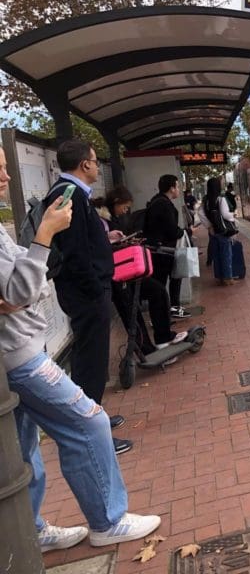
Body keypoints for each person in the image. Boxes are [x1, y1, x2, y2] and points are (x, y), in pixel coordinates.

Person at [0, 145, 161, 552]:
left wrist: (23, 284)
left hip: (18, 347)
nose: (6, 178)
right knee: (90, 421)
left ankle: (30, 529)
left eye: (6, 168)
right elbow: (20, 287)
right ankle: (107, 520)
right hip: (19, 352)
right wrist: (44, 237)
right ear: (87, 163)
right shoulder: (64, 199)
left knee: (21, 446)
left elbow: (20, 285)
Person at [46, 139, 132, 455]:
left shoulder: (73, 195)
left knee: (93, 362)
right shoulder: (67, 196)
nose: (97, 167)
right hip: (87, 295)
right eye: (95, 161)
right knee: (90, 366)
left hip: (86, 293)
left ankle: (95, 420)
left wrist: (105, 237)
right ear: (84, 164)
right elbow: (75, 254)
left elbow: (81, 241)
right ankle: (93, 438)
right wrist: (97, 290)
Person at [95, 187, 187, 352]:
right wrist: (116, 242)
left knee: (158, 292)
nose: (126, 211)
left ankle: (163, 337)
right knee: (131, 311)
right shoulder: (100, 219)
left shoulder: (111, 218)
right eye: (124, 207)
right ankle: (146, 349)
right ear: (116, 202)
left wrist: (124, 242)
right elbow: (97, 246)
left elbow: (106, 241)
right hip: (116, 274)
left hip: (126, 269)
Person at [143, 174, 191, 319]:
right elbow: (171, 231)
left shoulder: (157, 201)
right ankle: (162, 316)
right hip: (162, 252)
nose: (179, 189)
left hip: (159, 251)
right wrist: (185, 231)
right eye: (178, 186)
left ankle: (163, 314)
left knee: (165, 283)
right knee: (166, 283)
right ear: (172, 188)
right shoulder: (163, 204)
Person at [199, 178, 236, 286]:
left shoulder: (205, 199)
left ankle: (219, 277)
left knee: (217, 255)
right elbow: (225, 214)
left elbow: (200, 213)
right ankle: (228, 278)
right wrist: (233, 215)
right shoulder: (220, 199)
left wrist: (209, 226)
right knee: (226, 255)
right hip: (223, 231)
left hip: (213, 232)